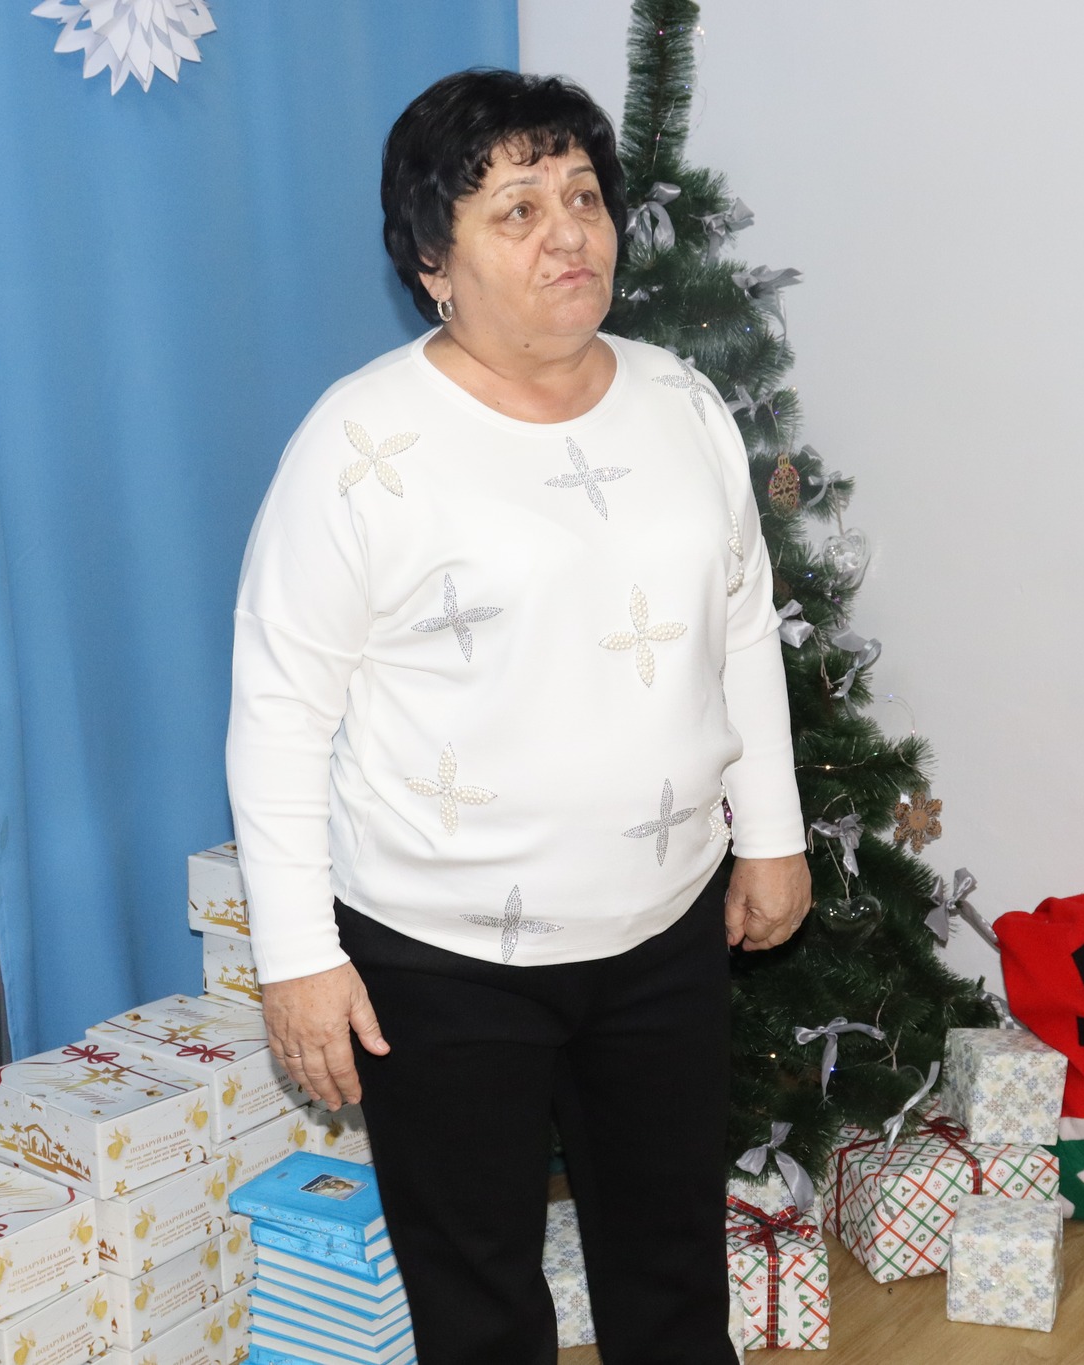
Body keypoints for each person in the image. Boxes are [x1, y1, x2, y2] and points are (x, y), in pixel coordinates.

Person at [224, 69, 811, 1365]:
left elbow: (736, 624)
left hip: (662, 924)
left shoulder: (680, 402)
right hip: (437, 958)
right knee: (478, 1303)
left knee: (671, 1274)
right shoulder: (358, 444)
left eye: (583, 198)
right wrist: (298, 956)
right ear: (431, 262)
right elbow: (278, 713)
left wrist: (771, 831)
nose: (568, 234)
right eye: (518, 208)